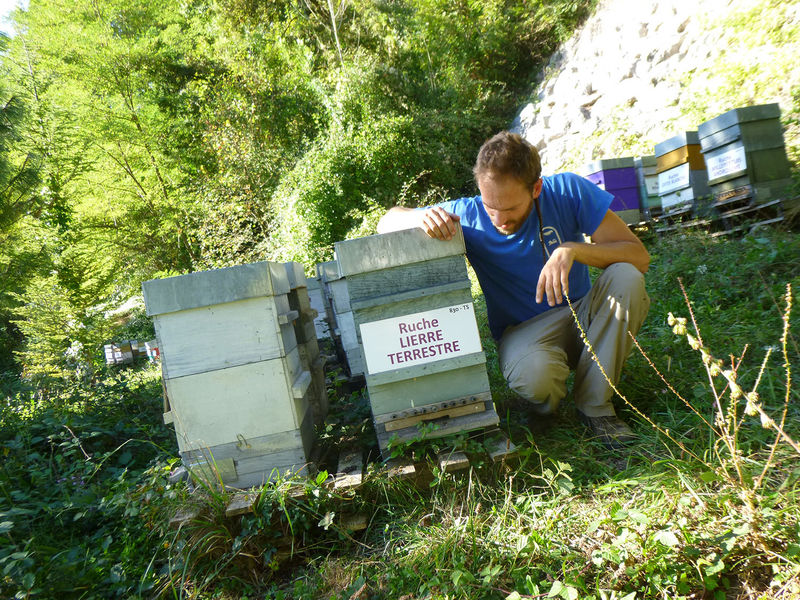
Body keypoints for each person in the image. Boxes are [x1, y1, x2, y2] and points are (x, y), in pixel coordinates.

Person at [376, 131, 650, 450]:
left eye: (510, 209)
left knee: (626, 277)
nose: (499, 219)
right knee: (535, 378)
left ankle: (596, 407)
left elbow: (638, 256)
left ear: (536, 188)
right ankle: (547, 405)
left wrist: (573, 250)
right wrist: (424, 216)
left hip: (583, 314)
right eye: (491, 206)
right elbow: (387, 220)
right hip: (524, 333)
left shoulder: (568, 190)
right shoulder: (469, 215)